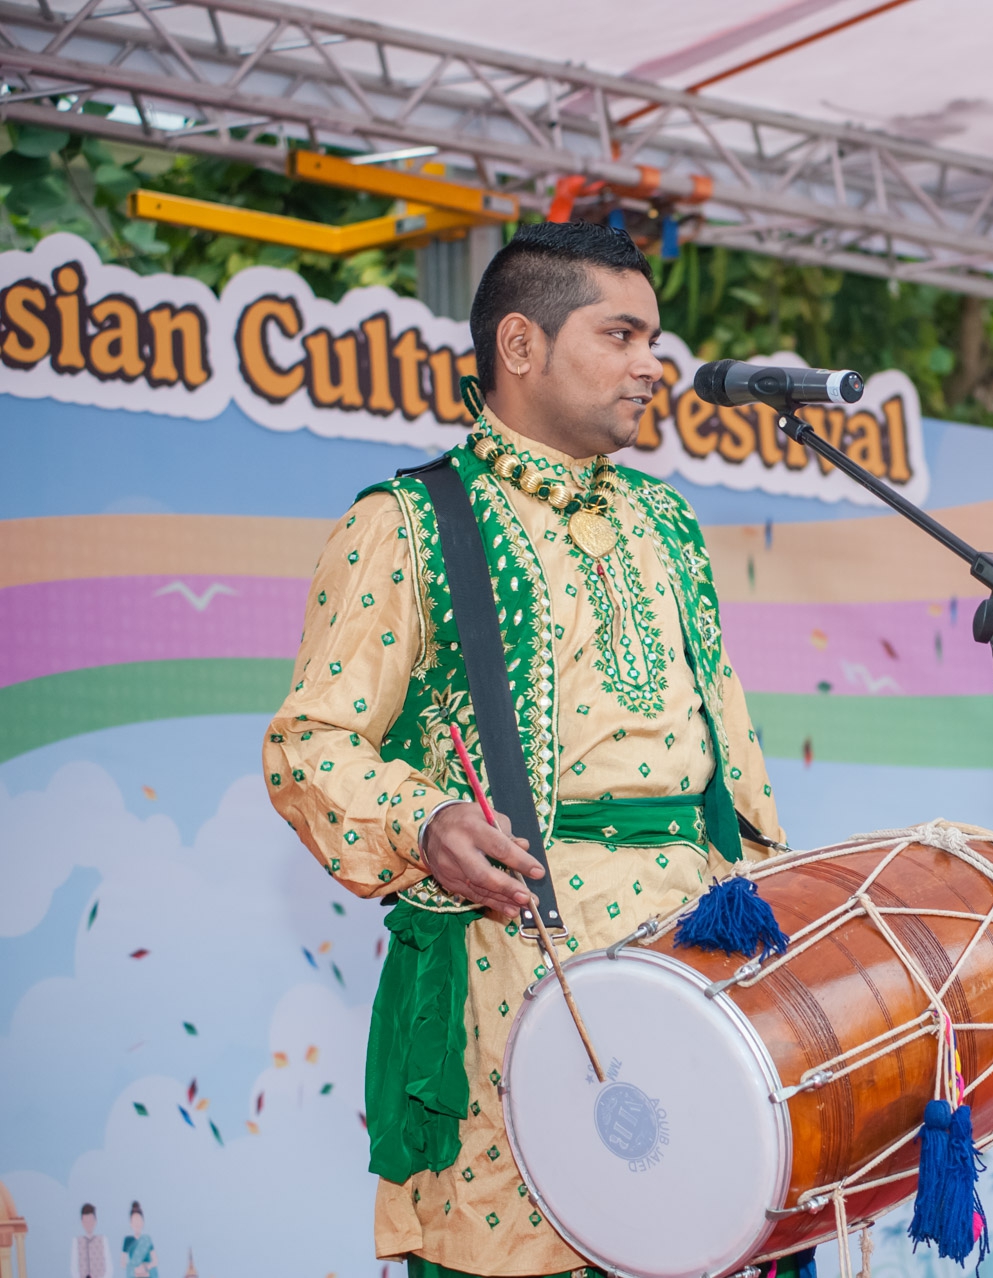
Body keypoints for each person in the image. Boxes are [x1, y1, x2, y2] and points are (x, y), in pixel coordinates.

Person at [264, 221, 783, 1278]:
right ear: (520, 346)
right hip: (520, 970)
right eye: (623, 333)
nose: (655, 364)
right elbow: (307, 742)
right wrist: (423, 821)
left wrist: (781, 925)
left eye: (658, 337)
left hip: (701, 964)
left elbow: (731, 749)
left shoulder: (669, 526)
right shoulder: (407, 521)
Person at [73, 1204, 110, 1278]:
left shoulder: (102, 1240)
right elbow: (74, 1268)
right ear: (82, 1222)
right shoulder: (77, 1242)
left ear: (95, 1220)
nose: (88, 1224)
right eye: (85, 1221)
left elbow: (108, 1267)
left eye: (90, 1220)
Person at [120, 1203, 154, 1278]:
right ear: (131, 1223)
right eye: (134, 1221)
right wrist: (134, 1269)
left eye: (139, 1220)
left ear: (143, 1222)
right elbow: (123, 1263)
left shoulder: (147, 1239)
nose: (137, 1224)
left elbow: (155, 1261)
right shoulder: (128, 1240)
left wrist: (145, 1267)